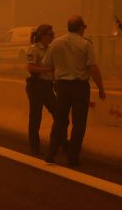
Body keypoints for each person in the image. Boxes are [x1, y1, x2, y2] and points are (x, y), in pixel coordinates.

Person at [43, 15, 106, 166]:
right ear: (80, 28)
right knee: (79, 123)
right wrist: (101, 88)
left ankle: (51, 152)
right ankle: (72, 156)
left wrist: (56, 79)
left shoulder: (56, 43)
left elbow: (47, 64)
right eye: (84, 27)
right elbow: (93, 68)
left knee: (60, 120)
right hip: (80, 87)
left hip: (62, 86)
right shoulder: (85, 44)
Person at [25, 24, 57, 155]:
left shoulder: (51, 49)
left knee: (58, 114)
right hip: (36, 86)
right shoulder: (34, 49)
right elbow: (31, 68)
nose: (52, 37)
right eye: (50, 35)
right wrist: (48, 70)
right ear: (42, 36)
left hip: (48, 86)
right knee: (35, 117)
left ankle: (59, 142)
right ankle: (34, 146)